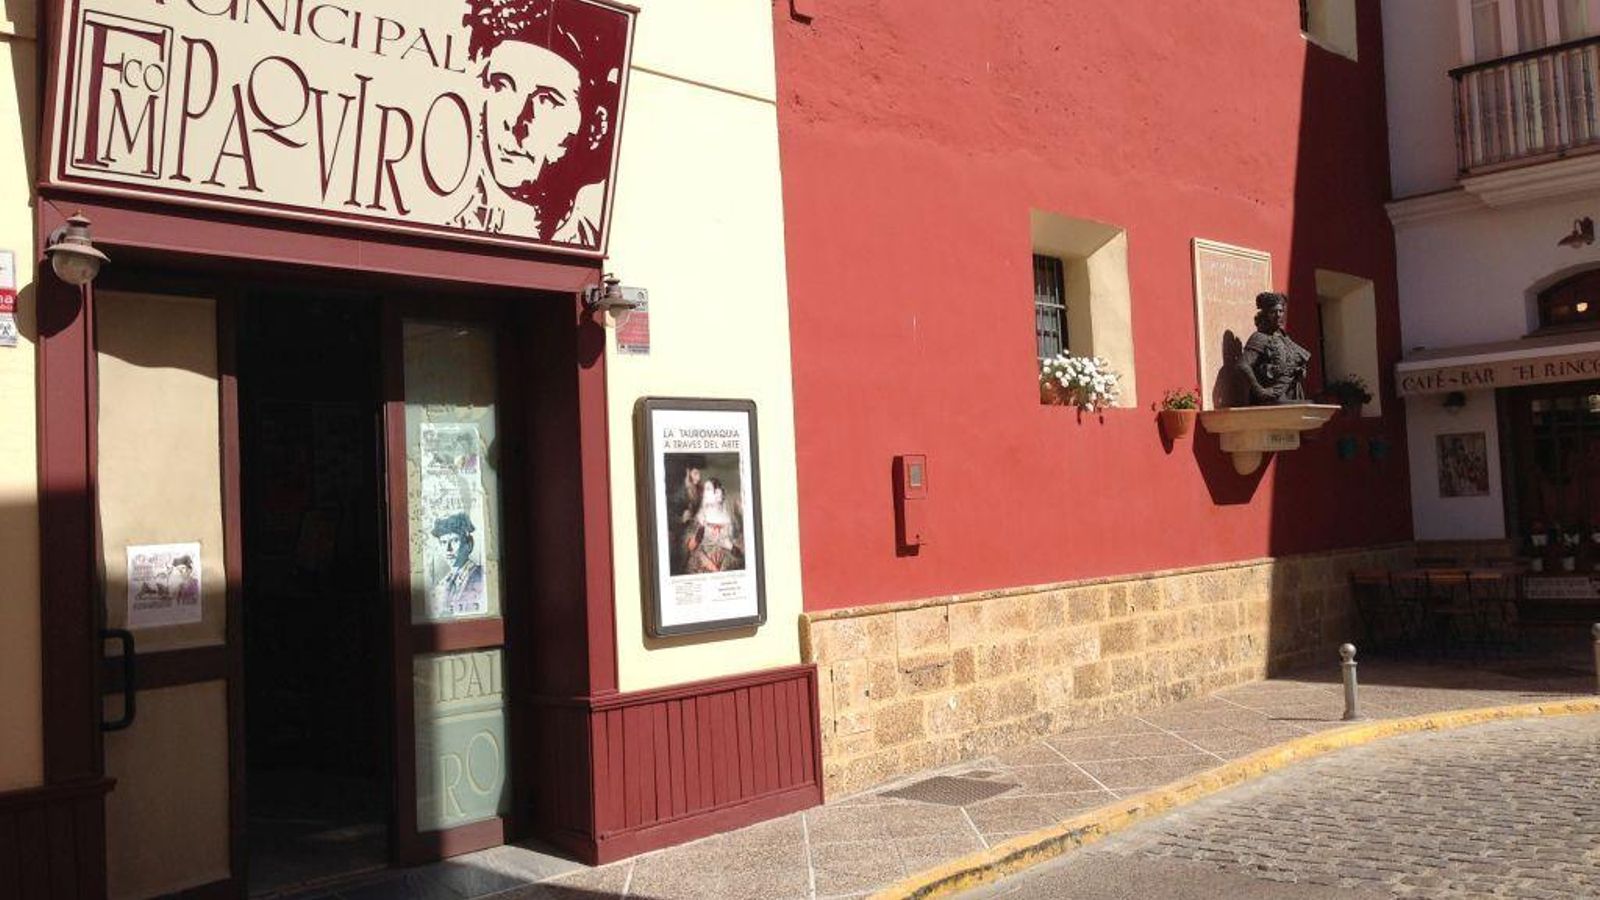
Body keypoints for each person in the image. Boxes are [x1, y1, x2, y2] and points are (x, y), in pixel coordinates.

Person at [455, 0, 625, 247]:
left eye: (547, 100)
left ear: (596, 127)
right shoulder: (446, 224)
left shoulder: (587, 239)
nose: (515, 122)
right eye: (502, 86)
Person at [1240, 292, 1312, 405]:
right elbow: (1243, 365)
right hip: (1272, 395)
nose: (1278, 315)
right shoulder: (1259, 337)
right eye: (1273, 312)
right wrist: (1259, 391)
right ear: (1265, 315)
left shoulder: (1284, 339)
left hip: (1289, 393)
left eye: (1281, 311)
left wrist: (1298, 370)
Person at [430, 512, 486, 617]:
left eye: (455, 540)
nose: (448, 549)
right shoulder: (442, 585)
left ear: (469, 544)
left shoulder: (481, 576)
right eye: (443, 542)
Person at [682, 478, 743, 574]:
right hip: (701, 567)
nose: (705, 492)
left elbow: (740, 552)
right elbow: (690, 547)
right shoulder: (699, 518)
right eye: (706, 489)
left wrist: (730, 546)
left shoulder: (729, 520)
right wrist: (701, 529)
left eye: (709, 489)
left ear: (719, 493)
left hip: (725, 567)